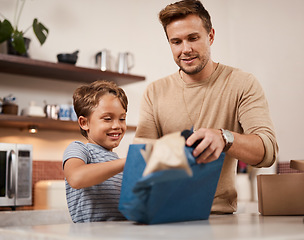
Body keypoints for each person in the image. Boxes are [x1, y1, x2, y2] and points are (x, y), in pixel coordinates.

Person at [135, 0, 278, 214]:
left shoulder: (242, 83)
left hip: (219, 216)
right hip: (164, 213)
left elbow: (268, 151)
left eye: (193, 38)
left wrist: (224, 138)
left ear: (210, 36)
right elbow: (141, 159)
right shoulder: (154, 92)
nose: (186, 49)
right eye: (176, 41)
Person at [63, 80, 128, 223]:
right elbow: (76, 177)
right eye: (108, 119)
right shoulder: (80, 149)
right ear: (84, 123)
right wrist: (128, 162)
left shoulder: (119, 163)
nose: (117, 125)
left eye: (122, 118)